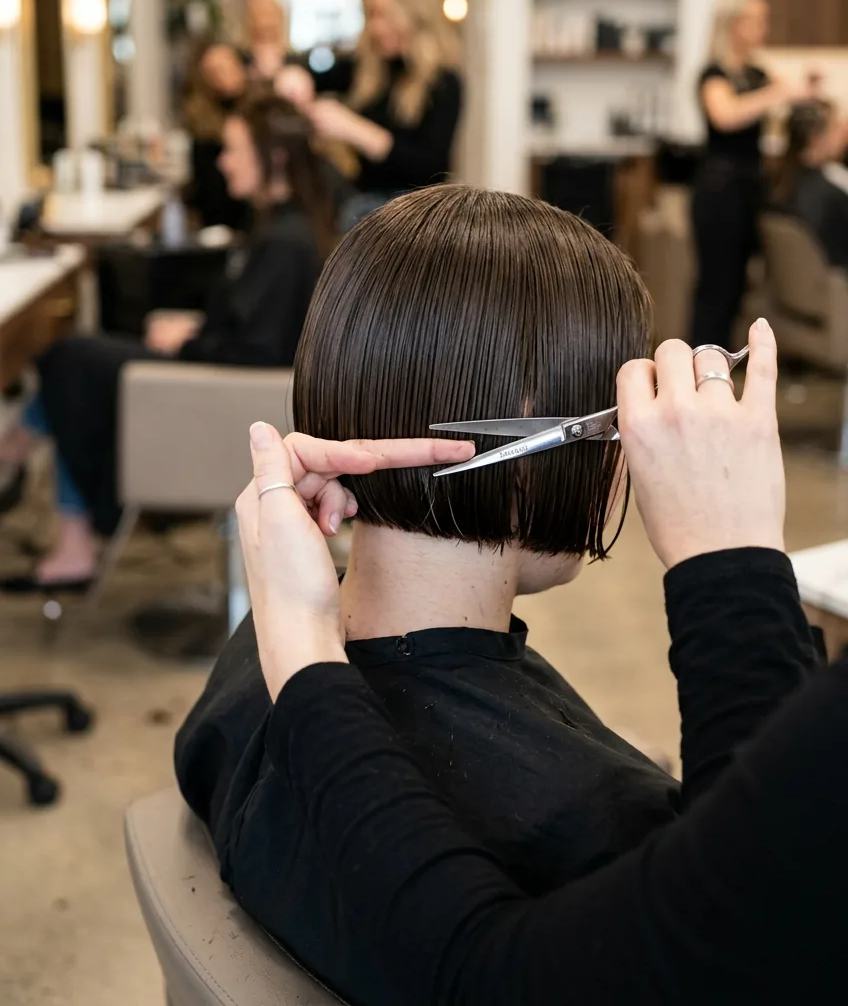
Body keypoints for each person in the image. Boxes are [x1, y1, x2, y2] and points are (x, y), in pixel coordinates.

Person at [176, 188, 821, 1004]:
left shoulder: (259, 655)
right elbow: (785, 914)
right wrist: (737, 562)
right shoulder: (597, 835)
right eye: (617, 429)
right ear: (524, 441)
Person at [0, 95, 332, 594]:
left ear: (276, 157)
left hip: (223, 400)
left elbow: (257, 352)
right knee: (75, 361)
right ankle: (27, 473)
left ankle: (17, 461)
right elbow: (256, 330)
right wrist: (193, 328)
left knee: (71, 361)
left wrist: (188, 343)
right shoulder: (284, 226)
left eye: (234, 149)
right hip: (218, 385)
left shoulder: (286, 242)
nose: (222, 161)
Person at [276, 0, 463, 228]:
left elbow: (429, 168)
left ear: (415, 15)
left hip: (418, 221)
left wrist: (354, 129)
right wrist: (294, 76)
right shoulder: (367, 69)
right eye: (370, 15)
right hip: (366, 209)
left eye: (384, 15)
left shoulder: (445, 82)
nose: (374, 27)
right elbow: (313, 73)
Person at [691, 0, 809, 349]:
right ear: (734, 25)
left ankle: (722, 365)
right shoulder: (715, 74)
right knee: (716, 287)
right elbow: (725, 116)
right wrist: (777, 94)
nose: (763, 28)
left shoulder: (756, 72)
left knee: (738, 287)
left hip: (748, 191)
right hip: (719, 192)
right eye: (757, 20)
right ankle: (700, 363)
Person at [770, 98, 848, 269]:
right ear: (816, 138)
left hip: (800, 285)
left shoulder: (777, 183)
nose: (844, 133)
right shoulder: (831, 195)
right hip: (832, 283)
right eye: (835, 127)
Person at [184, 41, 251, 231]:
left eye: (227, 67)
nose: (223, 75)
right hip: (217, 218)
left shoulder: (257, 112)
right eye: (215, 71)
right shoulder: (201, 123)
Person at [243, 0, 288, 82]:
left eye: (270, 14)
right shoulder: (243, 59)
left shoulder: (294, 58)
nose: (265, 22)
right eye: (260, 14)